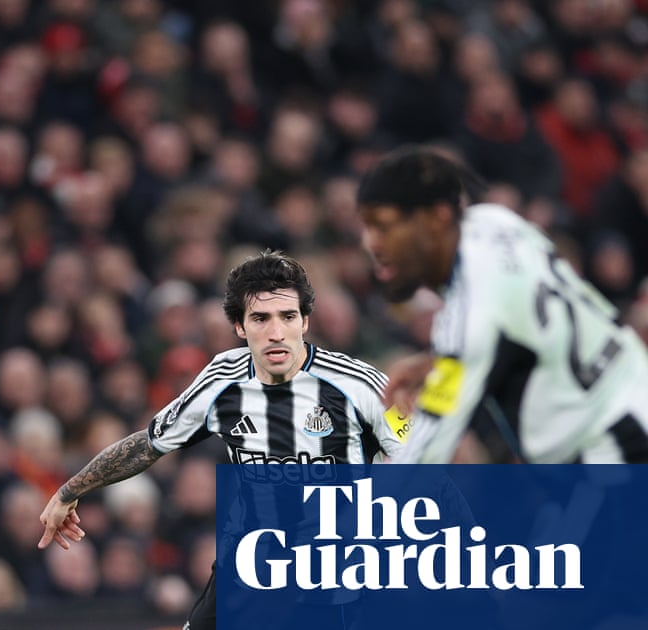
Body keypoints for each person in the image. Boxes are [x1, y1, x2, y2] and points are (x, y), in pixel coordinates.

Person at [38, 251, 407, 630]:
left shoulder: (361, 385)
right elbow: (148, 444)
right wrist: (69, 491)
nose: (276, 332)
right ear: (239, 327)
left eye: (288, 316)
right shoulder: (222, 380)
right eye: (261, 318)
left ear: (305, 321)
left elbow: (424, 460)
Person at [357, 145, 648, 463]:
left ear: (438, 218)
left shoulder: (473, 317)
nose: (371, 244)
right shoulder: (495, 221)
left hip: (616, 447)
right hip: (629, 390)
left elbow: (423, 456)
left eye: (385, 227)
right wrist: (436, 364)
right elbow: (517, 331)